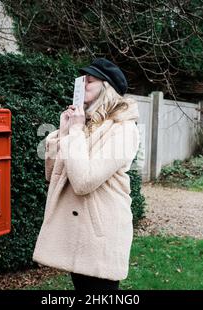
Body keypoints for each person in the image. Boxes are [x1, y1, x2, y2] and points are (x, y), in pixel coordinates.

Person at [32, 58, 140, 290]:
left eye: (89, 81)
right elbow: (54, 175)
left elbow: (83, 181)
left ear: (107, 87)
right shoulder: (87, 124)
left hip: (101, 236)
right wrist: (64, 131)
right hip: (79, 234)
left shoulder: (123, 129)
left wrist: (75, 131)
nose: (81, 86)